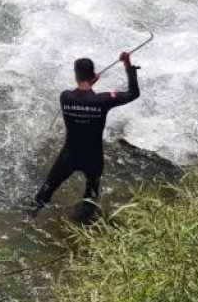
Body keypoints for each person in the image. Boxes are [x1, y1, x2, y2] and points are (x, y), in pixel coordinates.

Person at [28, 52, 140, 220]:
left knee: (49, 187)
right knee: (92, 191)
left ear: (76, 75)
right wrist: (127, 65)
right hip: (93, 157)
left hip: (69, 155)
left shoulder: (65, 97)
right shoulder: (103, 100)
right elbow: (133, 93)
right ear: (94, 76)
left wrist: (90, 82)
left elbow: (79, 93)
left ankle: (29, 217)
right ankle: (85, 224)